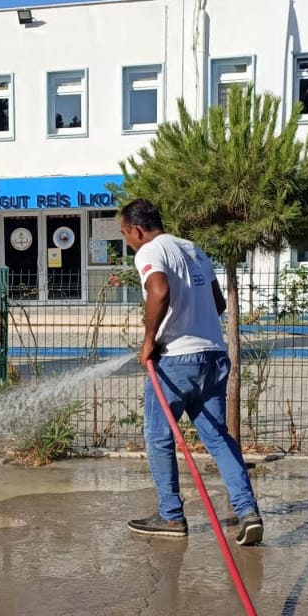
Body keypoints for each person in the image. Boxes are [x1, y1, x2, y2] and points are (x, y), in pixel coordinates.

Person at [119, 199, 263, 545]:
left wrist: (149, 340)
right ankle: (248, 512)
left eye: (126, 235)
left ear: (137, 230)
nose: (128, 243)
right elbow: (218, 303)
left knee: (159, 437)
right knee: (217, 438)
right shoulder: (193, 249)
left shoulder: (150, 251)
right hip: (213, 357)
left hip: (176, 361)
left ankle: (170, 517)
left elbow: (159, 291)